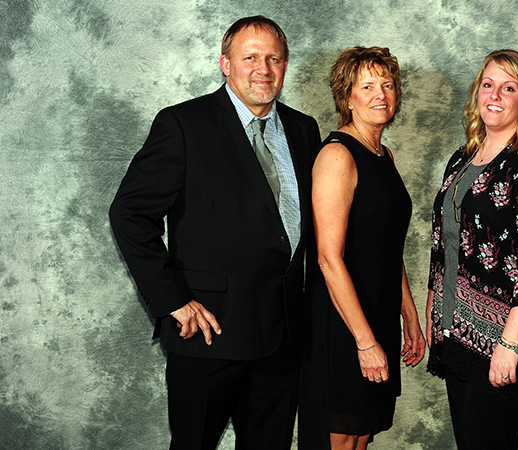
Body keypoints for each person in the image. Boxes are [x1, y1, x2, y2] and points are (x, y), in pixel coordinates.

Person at [108, 16, 320, 450]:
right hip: (208, 335)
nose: (263, 68)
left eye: (273, 58)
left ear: (284, 65)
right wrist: (173, 301)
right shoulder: (183, 125)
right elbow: (129, 214)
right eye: (250, 58)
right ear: (226, 64)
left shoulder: (303, 130)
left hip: (282, 338)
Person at [425, 49, 518, 450]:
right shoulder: (463, 158)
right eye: (488, 85)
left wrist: (508, 345)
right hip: (459, 329)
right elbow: (445, 239)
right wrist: (435, 302)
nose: (495, 95)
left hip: (507, 339)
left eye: (509, 88)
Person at [298, 46, 426, 450]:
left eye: (387, 85)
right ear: (346, 97)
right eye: (366, 85)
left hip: (378, 313)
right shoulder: (338, 155)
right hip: (343, 323)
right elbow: (327, 257)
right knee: (339, 436)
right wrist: (365, 341)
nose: (380, 94)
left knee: (362, 435)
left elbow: (387, 245)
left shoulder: (382, 154)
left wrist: (409, 314)